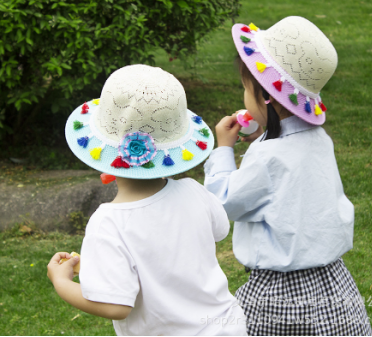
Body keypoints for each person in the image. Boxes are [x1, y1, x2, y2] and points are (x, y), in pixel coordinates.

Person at [47, 65, 247, 336]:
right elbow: (219, 231)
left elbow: (115, 306)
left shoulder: (108, 223)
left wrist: (61, 282)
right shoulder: (194, 190)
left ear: (105, 158)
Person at [204, 17, 372, 336]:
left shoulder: (267, 158)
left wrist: (223, 151)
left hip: (278, 294)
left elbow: (221, 203)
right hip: (334, 283)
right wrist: (266, 137)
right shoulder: (320, 141)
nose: (244, 95)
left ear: (266, 97)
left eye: (246, 88)